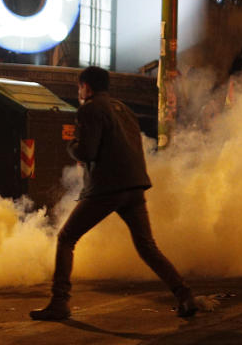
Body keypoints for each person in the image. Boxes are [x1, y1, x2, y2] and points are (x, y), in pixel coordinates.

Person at [30, 66, 197, 321]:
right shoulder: (124, 109)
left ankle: (60, 302)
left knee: (66, 238)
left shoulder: (89, 109)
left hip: (108, 187)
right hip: (134, 185)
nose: (79, 92)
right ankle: (184, 295)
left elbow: (87, 152)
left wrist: (71, 145)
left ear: (86, 87)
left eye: (79, 87)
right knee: (147, 247)